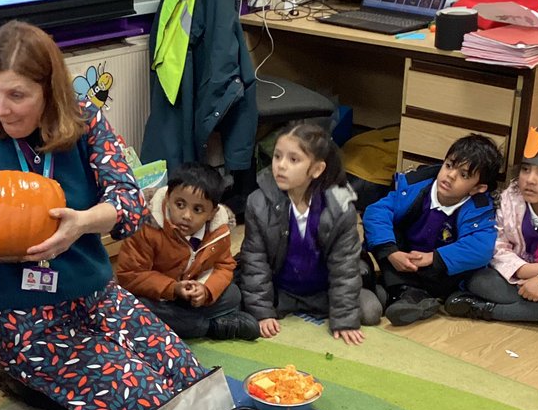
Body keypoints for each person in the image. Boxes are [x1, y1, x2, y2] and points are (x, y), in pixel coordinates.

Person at [0, 19, 207, 410]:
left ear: (48, 92)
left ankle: (54, 389)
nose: (2, 107)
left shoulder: (85, 122)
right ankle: (35, 384)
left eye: (18, 95)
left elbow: (128, 203)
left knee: (191, 382)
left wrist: (82, 224)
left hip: (96, 297)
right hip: (23, 320)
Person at [238, 121, 381, 346]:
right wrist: (262, 311)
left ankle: (372, 289)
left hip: (322, 290)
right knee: (239, 302)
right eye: (277, 157)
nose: (281, 166)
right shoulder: (258, 202)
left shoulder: (340, 206)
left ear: (316, 169)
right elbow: (255, 261)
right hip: (281, 289)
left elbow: (344, 266)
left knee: (370, 311)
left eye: (293, 159)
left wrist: (344, 319)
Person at [362, 133, 502, 326]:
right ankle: (398, 293)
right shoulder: (416, 186)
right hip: (403, 259)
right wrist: (392, 252)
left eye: (463, 175)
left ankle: (405, 295)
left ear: (477, 188)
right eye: (449, 165)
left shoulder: (478, 208)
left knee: (469, 270)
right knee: (383, 233)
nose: (450, 176)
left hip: (438, 272)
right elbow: (376, 211)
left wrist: (434, 258)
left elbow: (481, 247)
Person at [445, 127, 538, 327]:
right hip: (515, 278)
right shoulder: (511, 198)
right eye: (526, 169)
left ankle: (491, 311)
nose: (530, 180)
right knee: (478, 279)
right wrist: (525, 270)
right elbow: (496, 245)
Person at [116, 161, 259, 340]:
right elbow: (129, 275)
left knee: (233, 294)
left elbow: (224, 266)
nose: (186, 216)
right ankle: (211, 327)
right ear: (168, 198)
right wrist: (173, 288)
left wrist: (205, 290)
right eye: (180, 204)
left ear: (212, 213)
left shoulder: (218, 230)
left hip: (190, 296)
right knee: (133, 307)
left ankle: (188, 322)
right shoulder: (146, 226)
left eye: (197, 209)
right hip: (159, 297)